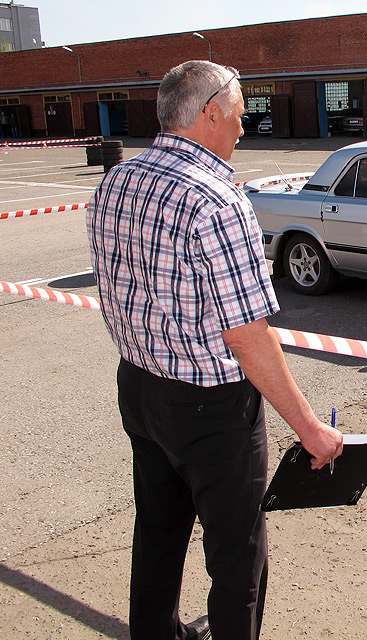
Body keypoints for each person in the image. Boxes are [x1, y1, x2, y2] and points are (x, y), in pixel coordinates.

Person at [86, 60, 343, 640]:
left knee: (158, 530)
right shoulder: (217, 201)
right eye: (239, 112)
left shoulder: (116, 181)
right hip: (211, 410)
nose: (244, 126)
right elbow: (248, 336)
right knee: (237, 553)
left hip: (140, 388)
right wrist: (310, 429)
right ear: (209, 113)